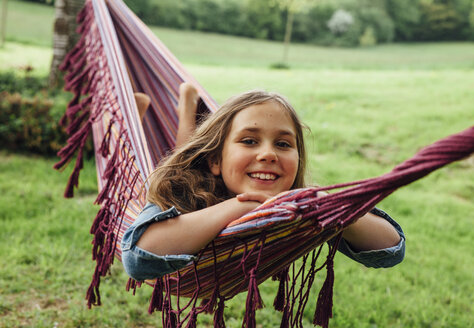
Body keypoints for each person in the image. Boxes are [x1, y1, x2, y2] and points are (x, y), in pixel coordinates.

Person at [122, 83, 405, 281]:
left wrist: (326, 207)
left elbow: (391, 250)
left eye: (283, 144)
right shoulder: (179, 190)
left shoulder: (295, 205)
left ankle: (188, 105)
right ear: (217, 161)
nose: (268, 153)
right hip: (178, 186)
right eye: (249, 141)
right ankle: (142, 116)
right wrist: (240, 207)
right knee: (141, 174)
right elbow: (139, 257)